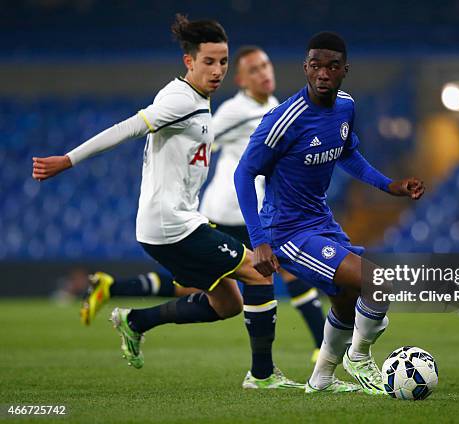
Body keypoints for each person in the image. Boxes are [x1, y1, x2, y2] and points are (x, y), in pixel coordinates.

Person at [32, 14, 301, 389]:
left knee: (228, 305)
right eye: (209, 61)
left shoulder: (198, 100)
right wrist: (68, 160)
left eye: (223, 61)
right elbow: (128, 127)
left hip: (174, 222)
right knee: (259, 270)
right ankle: (263, 375)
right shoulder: (180, 100)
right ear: (189, 61)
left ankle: (135, 322)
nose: (218, 70)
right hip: (170, 224)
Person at [80, 46, 326, 362]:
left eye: (266, 65)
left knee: (207, 286)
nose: (264, 72)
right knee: (271, 272)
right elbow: (202, 135)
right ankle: (302, 353)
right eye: (254, 69)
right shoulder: (236, 111)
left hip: (250, 212)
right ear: (240, 80)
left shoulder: (275, 107)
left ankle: (120, 298)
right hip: (226, 210)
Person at [234, 31, 425, 394]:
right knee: (377, 281)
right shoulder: (283, 120)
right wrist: (258, 241)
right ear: (305, 68)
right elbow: (244, 173)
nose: (323, 73)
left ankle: (320, 380)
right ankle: (358, 356)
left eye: (332, 66)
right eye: (316, 66)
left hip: (320, 221)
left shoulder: (346, 107)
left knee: (345, 295)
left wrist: (389, 185)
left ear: (344, 71)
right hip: (286, 232)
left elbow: (347, 152)